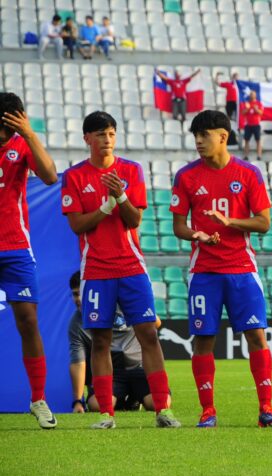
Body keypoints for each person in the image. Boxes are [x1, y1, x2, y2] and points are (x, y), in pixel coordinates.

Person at [61, 111, 180, 429]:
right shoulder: (74, 176)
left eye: (111, 133)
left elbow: (134, 220)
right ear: (87, 138)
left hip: (131, 267)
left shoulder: (131, 170)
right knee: (100, 340)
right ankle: (106, 415)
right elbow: (77, 225)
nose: (107, 139)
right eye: (101, 134)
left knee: (148, 335)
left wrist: (121, 196)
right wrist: (104, 209)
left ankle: (163, 410)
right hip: (96, 270)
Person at [170, 110, 272, 429]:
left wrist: (230, 221)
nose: (198, 141)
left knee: (256, 336)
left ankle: (266, 408)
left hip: (242, 269)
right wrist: (198, 235)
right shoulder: (186, 176)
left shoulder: (248, 173)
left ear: (223, 136)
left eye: (204, 135)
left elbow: (264, 222)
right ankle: (208, 410)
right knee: (203, 340)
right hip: (204, 271)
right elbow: (178, 226)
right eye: (195, 136)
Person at [0, 92, 58, 429]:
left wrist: (30, 134)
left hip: (16, 248)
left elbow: (50, 176)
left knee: (28, 321)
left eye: (14, 122)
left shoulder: (22, 145)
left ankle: (38, 399)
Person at [67, 272, 166, 413]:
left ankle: (134, 398)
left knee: (157, 404)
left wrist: (135, 310)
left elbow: (156, 323)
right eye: (75, 294)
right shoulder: (76, 324)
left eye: (81, 293)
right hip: (112, 373)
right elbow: (78, 362)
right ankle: (124, 401)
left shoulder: (122, 302)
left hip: (139, 368)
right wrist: (77, 401)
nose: (78, 299)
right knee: (96, 405)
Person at [240, 91, 263, 161]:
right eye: (250, 94)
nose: (251, 95)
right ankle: (246, 155)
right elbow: (242, 113)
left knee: (258, 140)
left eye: (253, 94)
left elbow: (261, 113)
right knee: (246, 140)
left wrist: (256, 109)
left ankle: (259, 155)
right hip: (248, 125)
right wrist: (247, 108)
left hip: (256, 124)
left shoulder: (259, 103)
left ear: (255, 95)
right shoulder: (247, 103)